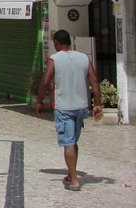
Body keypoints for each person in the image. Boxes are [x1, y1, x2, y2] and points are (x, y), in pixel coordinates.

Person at [34, 29, 102, 192]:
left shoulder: (54, 59)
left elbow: (45, 81)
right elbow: (94, 80)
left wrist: (40, 100)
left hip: (63, 107)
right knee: (73, 141)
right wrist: (98, 103)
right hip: (81, 107)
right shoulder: (84, 58)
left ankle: (74, 181)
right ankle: (71, 173)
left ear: (56, 43)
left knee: (68, 143)